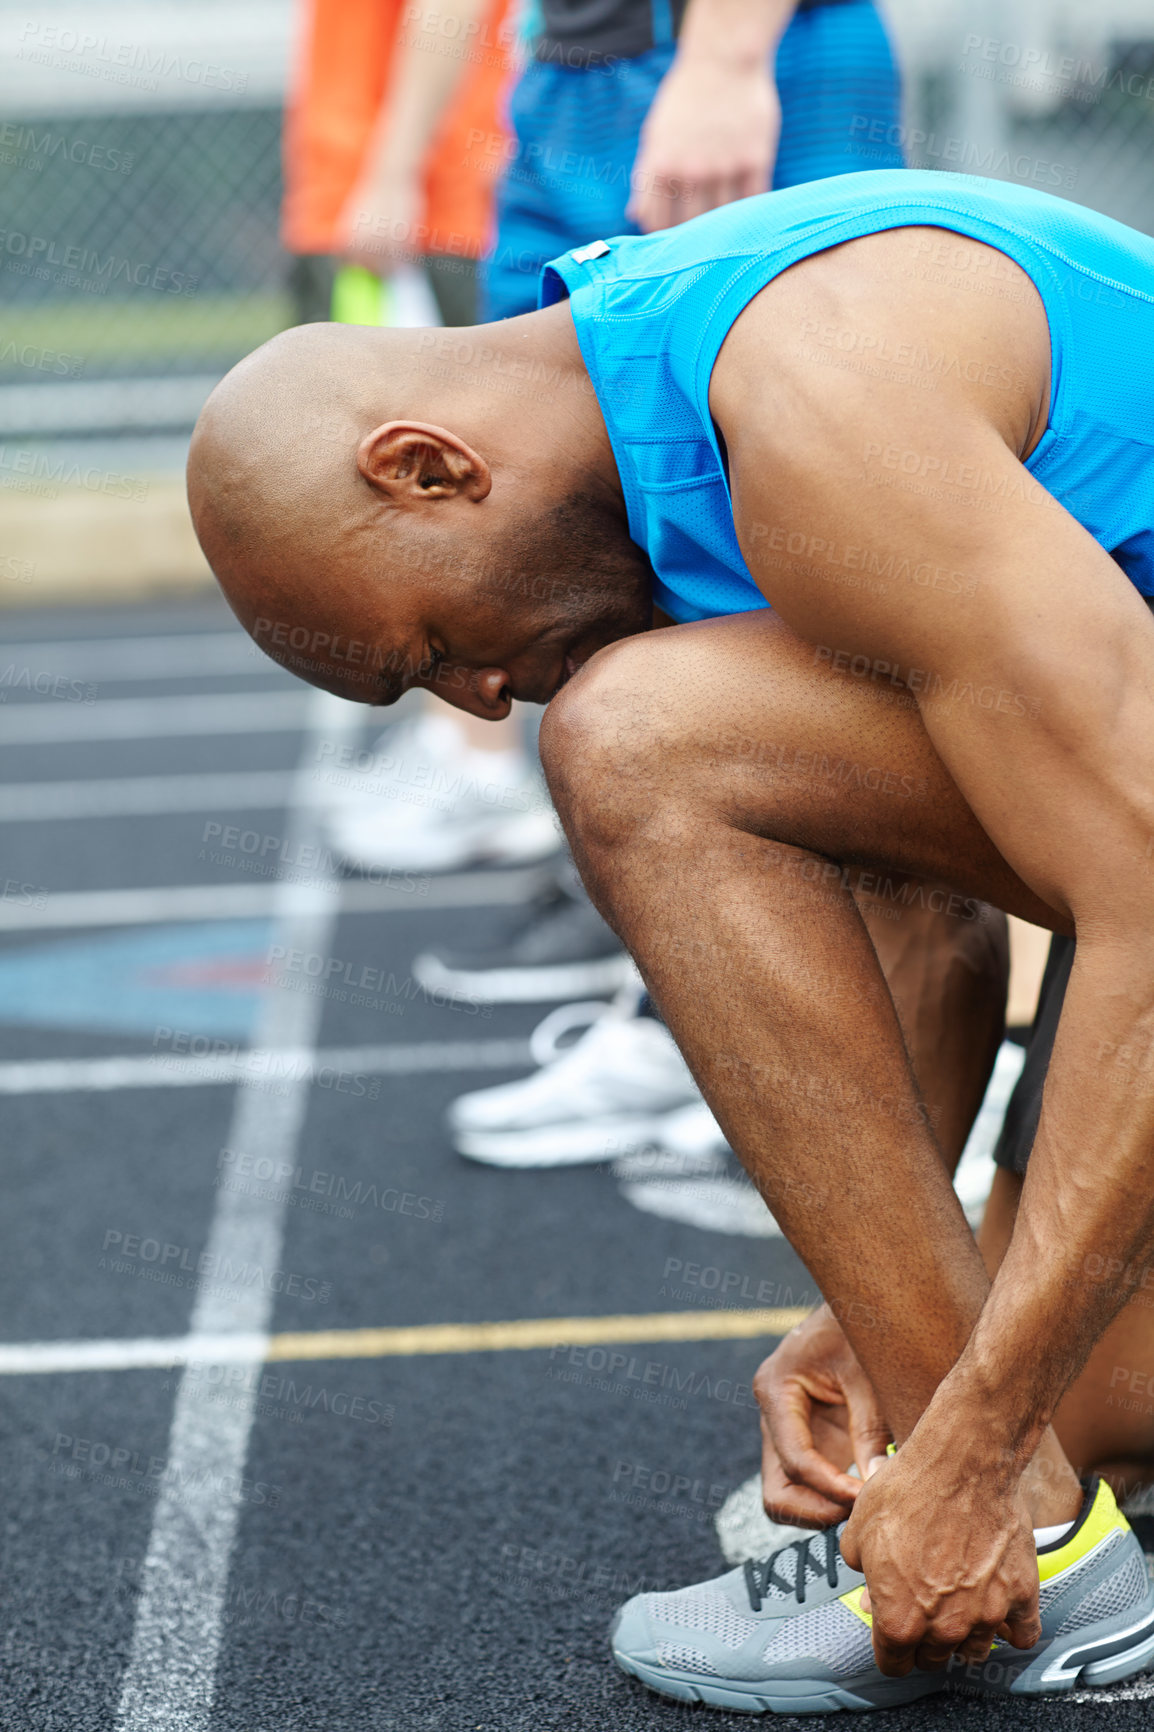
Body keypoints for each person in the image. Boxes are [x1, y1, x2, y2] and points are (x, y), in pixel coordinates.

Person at [186, 167, 1154, 1704]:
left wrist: (968, 1444)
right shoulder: (668, 413)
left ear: (428, 466)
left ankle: (1023, 1529)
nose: (482, 704)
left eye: (430, 652)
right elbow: (930, 898)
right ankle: (1028, 1514)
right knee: (1087, 1400)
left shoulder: (812, 399)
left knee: (637, 740)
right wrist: (888, 1315)